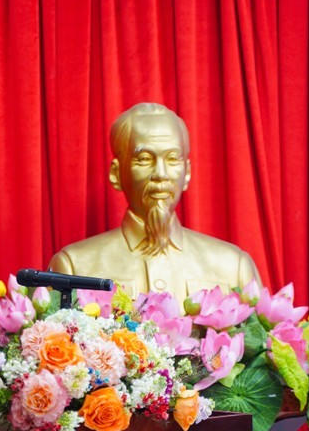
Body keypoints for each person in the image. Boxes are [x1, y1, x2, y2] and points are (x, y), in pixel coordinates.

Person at [49, 103, 260, 298]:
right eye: (144, 159)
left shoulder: (234, 268)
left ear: (187, 172)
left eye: (172, 159)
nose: (160, 174)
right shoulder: (74, 266)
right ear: (116, 173)